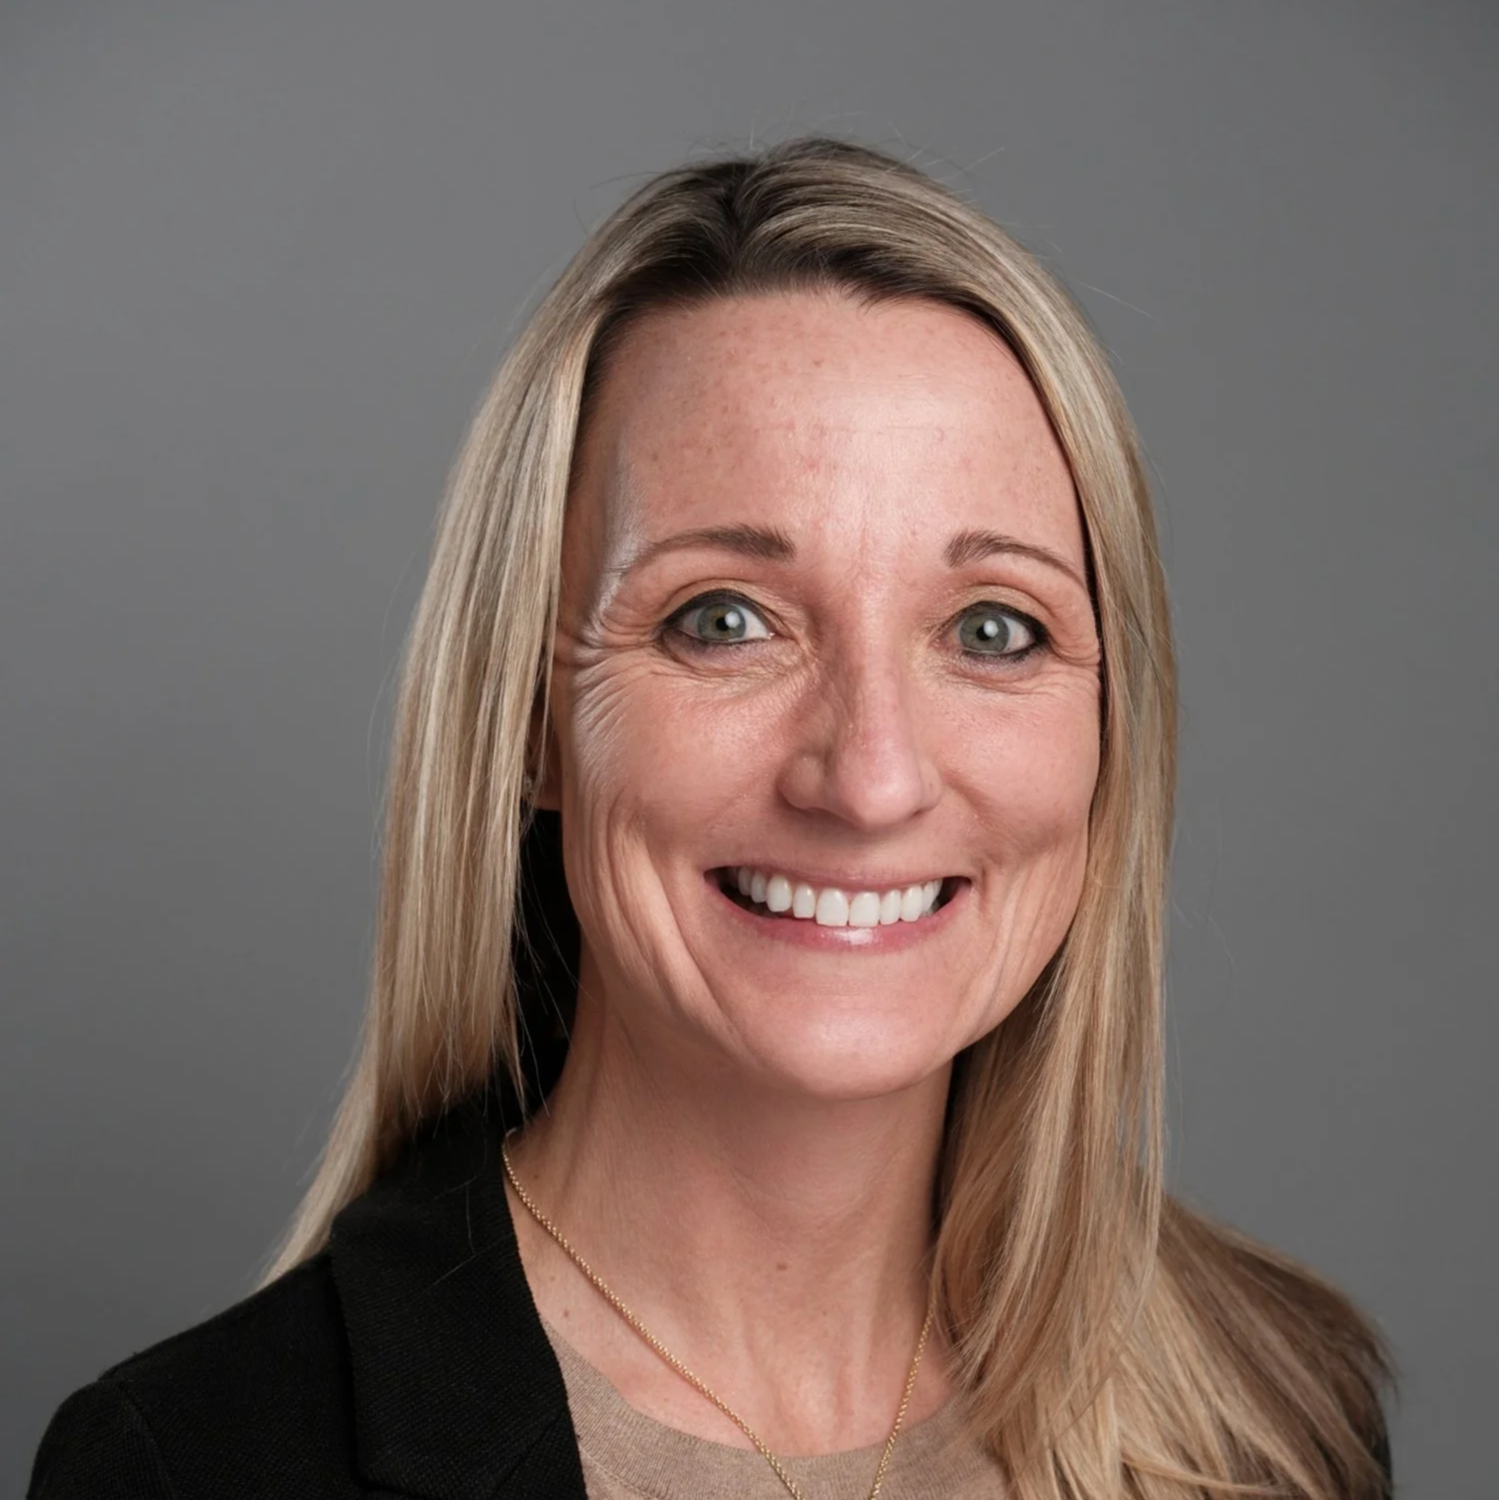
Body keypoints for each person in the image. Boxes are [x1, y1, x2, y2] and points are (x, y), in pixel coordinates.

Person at [29, 137, 1392, 1500]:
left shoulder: (1276, 1422)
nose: (870, 777)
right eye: (723, 620)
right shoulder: (195, 1462)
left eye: (993, 628)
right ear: (529, 721)